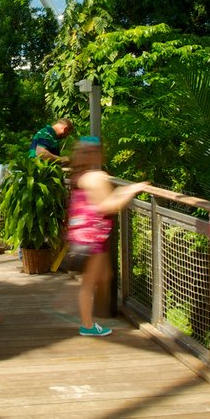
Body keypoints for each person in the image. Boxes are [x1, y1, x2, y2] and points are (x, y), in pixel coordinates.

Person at [67, 136, 147, 337]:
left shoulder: (81, 176)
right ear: (96, 153)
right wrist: (132, 191)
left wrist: (123, 190)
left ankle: (97, 316)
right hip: (92, 238)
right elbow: (108, 206)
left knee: (105, 276)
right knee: (89, 283)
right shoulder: (96, 177)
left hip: (90, 236)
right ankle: (87, 325)